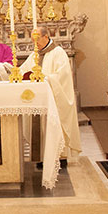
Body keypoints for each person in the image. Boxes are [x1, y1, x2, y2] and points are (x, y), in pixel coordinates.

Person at [18, 27, 82, 161]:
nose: (35, 44)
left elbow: (62, 76)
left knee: (53, 127)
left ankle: (60, 157)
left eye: (37, 40)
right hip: (39, 101)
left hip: (54, 100)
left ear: (46, 37)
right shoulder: (34, 55)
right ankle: (41, 157)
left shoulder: (58, 53)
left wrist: (44, 78)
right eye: (33, 41)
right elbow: (23, 70)